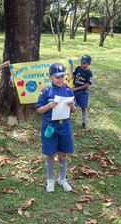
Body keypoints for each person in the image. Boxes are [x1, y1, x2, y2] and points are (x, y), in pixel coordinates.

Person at [36, 63, 77, 193]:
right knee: (49, 153)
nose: (60, 80)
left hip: (64, 125)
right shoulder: (46, 91)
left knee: (63, 153)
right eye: (57, 77)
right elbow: (39, 110)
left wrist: (71, 106)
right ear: (50, 76)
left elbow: (75, 109)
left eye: (62, 77)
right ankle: (50, 179)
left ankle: (62, 178)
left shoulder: (68, 90)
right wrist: (48, 106)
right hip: (50, 126)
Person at [72, 55, 93, 131]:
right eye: (81, 62)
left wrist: (76, 89)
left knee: (83, 107)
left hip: (83, 92)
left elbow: (87, 84)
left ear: (88, 64)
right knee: (70, 104)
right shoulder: (78, 68)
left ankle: (84, 123)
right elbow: (73, 75)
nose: (82, 64)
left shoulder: (89, 73)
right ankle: (67, 118)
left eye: (84, 63)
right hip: (74, 90)